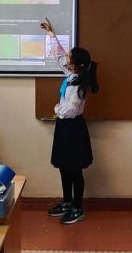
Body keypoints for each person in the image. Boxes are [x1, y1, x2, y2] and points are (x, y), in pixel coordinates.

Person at [40, 19, 99, 225]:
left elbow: (69, 111)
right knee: (64, 167)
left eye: (69, 57)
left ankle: (77, 207)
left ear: (74, 65)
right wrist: (50, 34)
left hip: (73, 128)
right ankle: (67, 201)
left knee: (75, 169)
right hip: (64, 128)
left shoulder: (79, 85)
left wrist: (56, 108)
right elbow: (58, 55)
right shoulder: (71, 74)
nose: (66, 57)